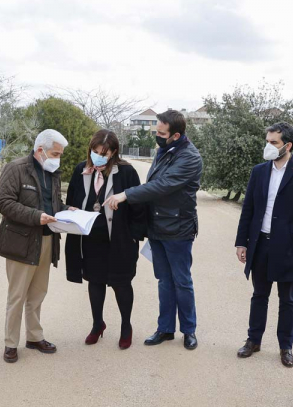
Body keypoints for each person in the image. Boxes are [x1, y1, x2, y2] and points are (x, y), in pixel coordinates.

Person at [104, 109, 202, 350]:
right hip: (157, 227)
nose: (156, 136)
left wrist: (126, 194)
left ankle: (188, 330)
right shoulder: (163, 151)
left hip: (178, 228)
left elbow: (161, 186)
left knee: (182, 281)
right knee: (164, 281)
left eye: (161, 133)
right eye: (156, 131)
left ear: (176, 135)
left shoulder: (189, 157)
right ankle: (165, 328)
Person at [235, 122, 293, 368]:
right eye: (267, 141)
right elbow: (249, 209)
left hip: (287, 247)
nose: (269, 146)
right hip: (260, 246)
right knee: (259, 295)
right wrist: (241, 242)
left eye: (273, 142)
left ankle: (286, 347)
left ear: (288, 145)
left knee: (287, 299)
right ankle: (253, 341)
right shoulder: (259, 171)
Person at [65, 130, 147, 349]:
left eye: (103, 152)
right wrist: (70, 209)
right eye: (94, 151)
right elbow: (72, 198)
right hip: (91, 239)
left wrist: (133, 236)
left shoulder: (126, 172)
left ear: (113, 152)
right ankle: (97, 324)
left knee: (121, 284)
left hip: (120, 239)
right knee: (95, 281)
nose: (98, 156)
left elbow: (139, 205)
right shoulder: (81, 170)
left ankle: (126, 326)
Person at [0, 129, 71, 363]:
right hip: (21, 241)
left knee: (38, 293)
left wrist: (68, 210)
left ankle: (34, 336)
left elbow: (53, 202)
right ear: (40, 150)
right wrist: (35, 216)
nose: (58, 158)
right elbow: (4, 203)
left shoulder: (53, 172)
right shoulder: (16, 168)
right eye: (55, 153)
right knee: (17, 295)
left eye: (60, 154)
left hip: (48, 239)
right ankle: (10, 343)